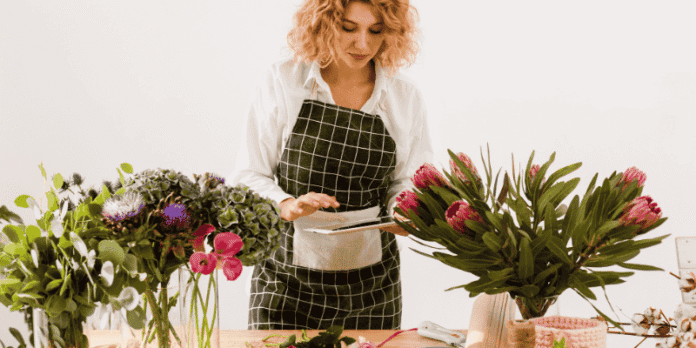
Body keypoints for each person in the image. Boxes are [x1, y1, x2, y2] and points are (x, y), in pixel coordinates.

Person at [231, 0, 433, 330]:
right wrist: (288, 204)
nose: (363, 43)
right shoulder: (284, 81)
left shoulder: (404, 96)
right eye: (349, 28)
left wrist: (404, 211)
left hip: (373, 286)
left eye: (376, 31)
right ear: (323, 24)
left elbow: (409, 180)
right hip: (285, 283)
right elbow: (249, 173)